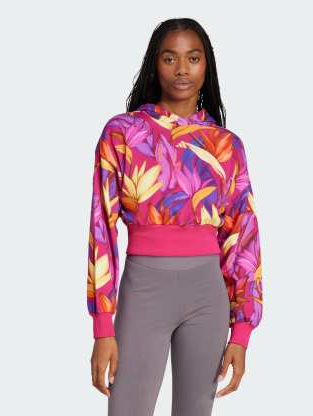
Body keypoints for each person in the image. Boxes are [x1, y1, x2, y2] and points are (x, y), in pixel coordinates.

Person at [87, 17, 263, 416]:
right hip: (143, 290)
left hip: (208, 296)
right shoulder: (123, 133)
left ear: (206, 66)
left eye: (193, 58)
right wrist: (102, 326)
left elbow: (243, 237)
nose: (182, 69)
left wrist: (242, 332)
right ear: (155, 65)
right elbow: (101, 228)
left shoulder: (225, 145)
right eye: (170, 58)